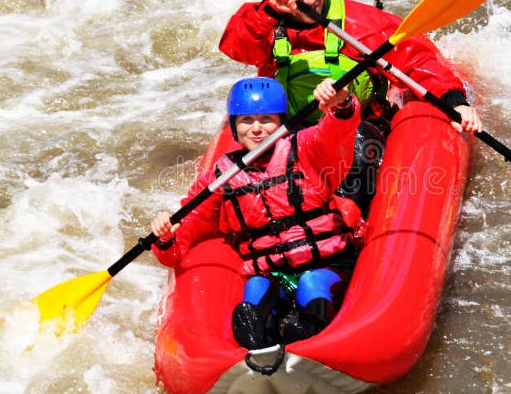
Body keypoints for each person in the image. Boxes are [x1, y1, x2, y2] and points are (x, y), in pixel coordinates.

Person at [218, 0, 483, 220]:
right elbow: (236, 48)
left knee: (362, 142)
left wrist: (455, 102)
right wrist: (271, 13)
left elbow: (418, 61)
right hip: (292, 134)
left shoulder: (360, 23)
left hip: (359, 129)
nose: (309, 0)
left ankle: (352, 221)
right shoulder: (263, 21)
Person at [150, 77, 360, 350]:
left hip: (327, 262)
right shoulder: (220, 178)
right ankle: (259, 342)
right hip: (271, 270)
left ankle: (306, 336)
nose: (257, 128)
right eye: (247, 120)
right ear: (235, 129)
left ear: (282, 122)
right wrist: (165, 237)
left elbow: (336, 131)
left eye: (266, 119)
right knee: (256, 291)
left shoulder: (306, 147)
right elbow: (187, 231)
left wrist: (340, 104)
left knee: (311, 284)